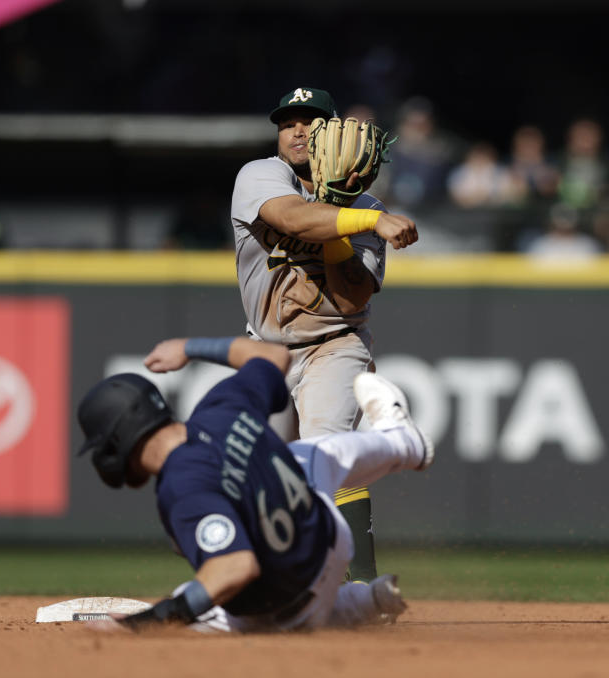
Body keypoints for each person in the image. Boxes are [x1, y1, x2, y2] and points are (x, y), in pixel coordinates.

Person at [75, 335, 434, 632]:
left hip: (285, 616)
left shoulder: (180, 488)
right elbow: (275, 355)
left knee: (193, 599)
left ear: (118, 440)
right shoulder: (221, 407)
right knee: (307, 455)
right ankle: (403, 445)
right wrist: (188, 348)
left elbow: (235, 568)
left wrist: (160, 616)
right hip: (328, 538)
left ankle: (349, 605)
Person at [229, 86, 420, 583]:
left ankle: (361, 586)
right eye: (288, 121)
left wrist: (351, 217)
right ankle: (279, 581)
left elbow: (352, 298)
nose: (297, 128)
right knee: (265, 475)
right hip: (266, 348)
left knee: (327, 452)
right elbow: (291, 217)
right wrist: (369, 220)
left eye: (311, 120)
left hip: (334, 344)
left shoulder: (365, 204)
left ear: (333, 132)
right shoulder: (260, 175)